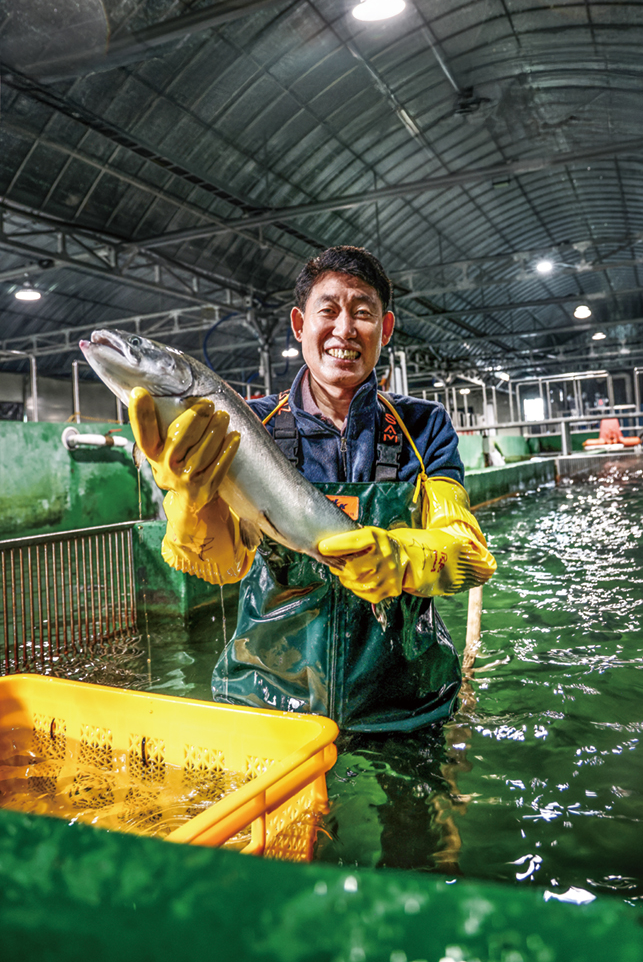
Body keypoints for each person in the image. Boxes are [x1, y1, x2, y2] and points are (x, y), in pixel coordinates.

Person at [129, 246, 496, 732]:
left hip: (407, 704)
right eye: (328, 311)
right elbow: (223, 565)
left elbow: (466, 551)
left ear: (384, 330)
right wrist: (189, 502)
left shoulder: (423, 427)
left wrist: (400, 558)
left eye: (363, 313)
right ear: (300, 325)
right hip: (270, 705)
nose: (344, 329)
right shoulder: (246, 425)